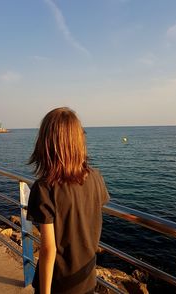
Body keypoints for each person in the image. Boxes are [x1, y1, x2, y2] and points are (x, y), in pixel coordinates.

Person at [27, 107, 110, 294]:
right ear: (79, 141)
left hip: (57, 284)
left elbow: (49, 249)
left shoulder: (44, 188)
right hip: (86, 279)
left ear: (46, 143)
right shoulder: (96, 177)